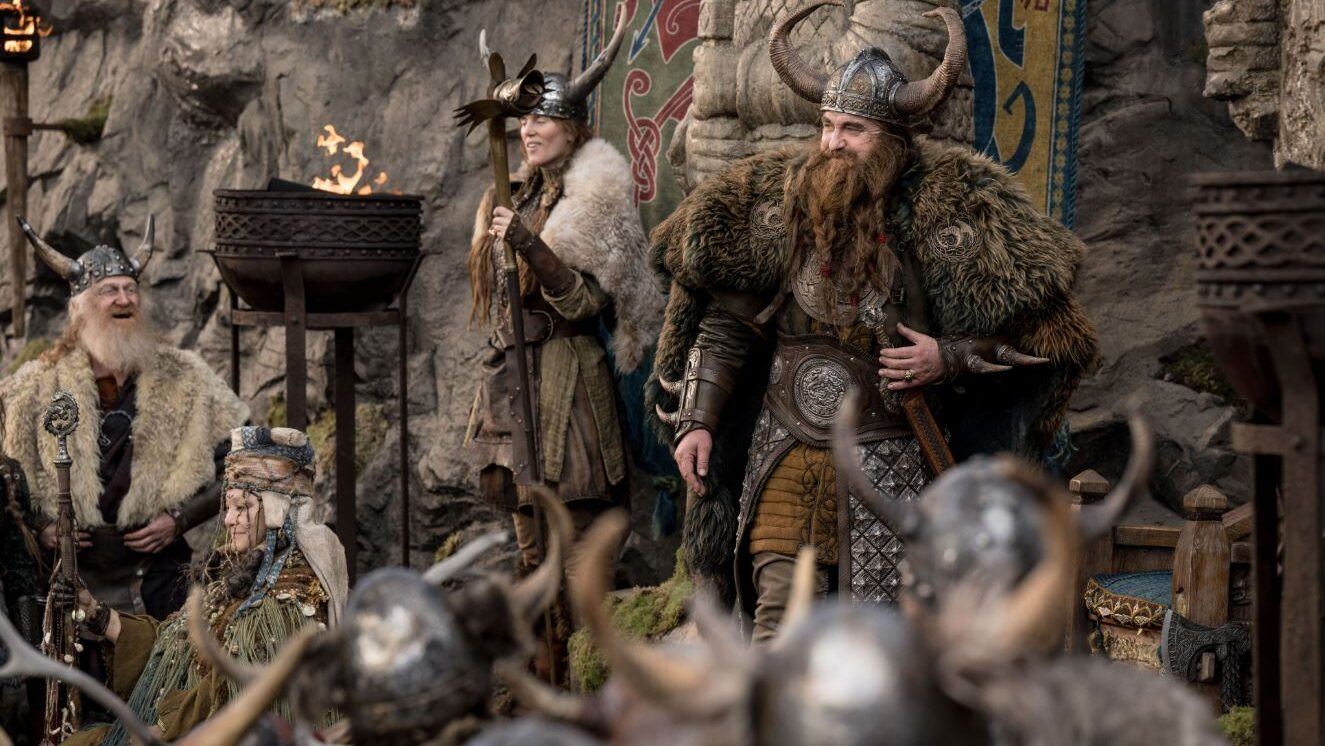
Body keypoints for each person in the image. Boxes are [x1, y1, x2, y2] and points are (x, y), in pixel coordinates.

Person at [650, 5, 1098, 641]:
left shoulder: (949, 215)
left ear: (891, 140)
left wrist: (948, 356)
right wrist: (699, 421)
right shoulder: (783, 204)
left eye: (852, 129)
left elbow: (1042, 338)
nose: (832, 143)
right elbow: (727, 324)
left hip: (893, 463)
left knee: (881, 644)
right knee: (776, 633)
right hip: (783, 455)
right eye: (828, 125)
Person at [464, 16, 663, 593]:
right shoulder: (514, 193)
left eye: (543, 119)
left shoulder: (597, 200)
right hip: (513, 377)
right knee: (529, 549)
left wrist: (528, 244)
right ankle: (544, 649)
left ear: (573, 129)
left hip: (569, 381)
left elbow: (582, 304)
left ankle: (586, 648)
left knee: (577, 547)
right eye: (525, 119)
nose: (529, 130)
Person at [1, 217, 248, 619]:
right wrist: (39, 527)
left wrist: (179, 519)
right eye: (109, 291)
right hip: (66, 584)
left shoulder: (186, 377)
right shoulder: (33, 387)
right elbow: (6, 481)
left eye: (130, 289)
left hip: (158, 577)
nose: (124, 300)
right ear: (79, 308)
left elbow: (242, 462)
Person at [59, 426, 347, 746]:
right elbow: (176, 648)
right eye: (229, 506)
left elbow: (232, 696)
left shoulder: (286, 601)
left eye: (242, 508)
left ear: (277, 511)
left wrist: (162, 731)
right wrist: (98, 615)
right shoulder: (237, 574)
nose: (229, 519)